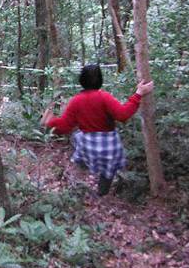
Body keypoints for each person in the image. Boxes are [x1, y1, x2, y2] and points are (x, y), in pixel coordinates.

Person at [40, 64, 154, 196]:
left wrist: (50, 121)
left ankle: (83, 164)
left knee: (77, 136)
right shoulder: (105, 97)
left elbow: (65, 126)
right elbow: (123, 115)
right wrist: (138, 93)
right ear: (100, 80)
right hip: (109, 147)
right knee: (108, 170)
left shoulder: (76, 101)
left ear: (82, 80)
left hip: (89, 147)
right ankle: (102, 192)